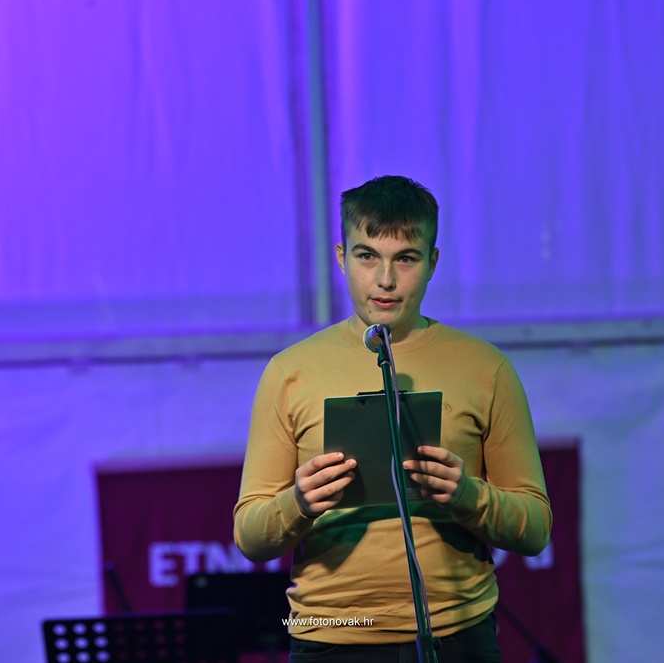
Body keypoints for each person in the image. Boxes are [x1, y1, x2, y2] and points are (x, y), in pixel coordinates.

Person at [234, 175, 552, 662]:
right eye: (367, 256)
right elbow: (249, 536)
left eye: (405, 258)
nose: (385, 280)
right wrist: (299, 501)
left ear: (432, 263)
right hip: (332, 637)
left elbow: (535, 528)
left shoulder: (486, 369)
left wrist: (466, 495)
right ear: (341, 258)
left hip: (456, 635)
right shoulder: (290, 372)